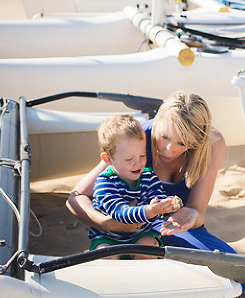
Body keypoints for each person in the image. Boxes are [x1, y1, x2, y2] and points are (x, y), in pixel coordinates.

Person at [67, 92, 236, 254]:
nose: (169, 150)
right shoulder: (135, 140)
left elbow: (196, 210)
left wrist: (193, 214)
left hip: (178, 227)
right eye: (164, 137)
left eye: (183, 143)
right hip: (135, 227)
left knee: (234, 270)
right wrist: (106, 224)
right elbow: (76, 197)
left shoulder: (212, 143)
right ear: (156, 121)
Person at [88, 114, 180, 259]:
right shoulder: (105, 183)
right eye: (129, 159)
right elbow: (120, 212)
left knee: (149, 247)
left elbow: (157, 195)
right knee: (105, 253)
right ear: (108, 159)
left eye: (142, 155)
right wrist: (149, 210)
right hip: (109, 239)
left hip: (141, 234)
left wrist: (163, 205)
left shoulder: (148, 176)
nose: (138, 163)